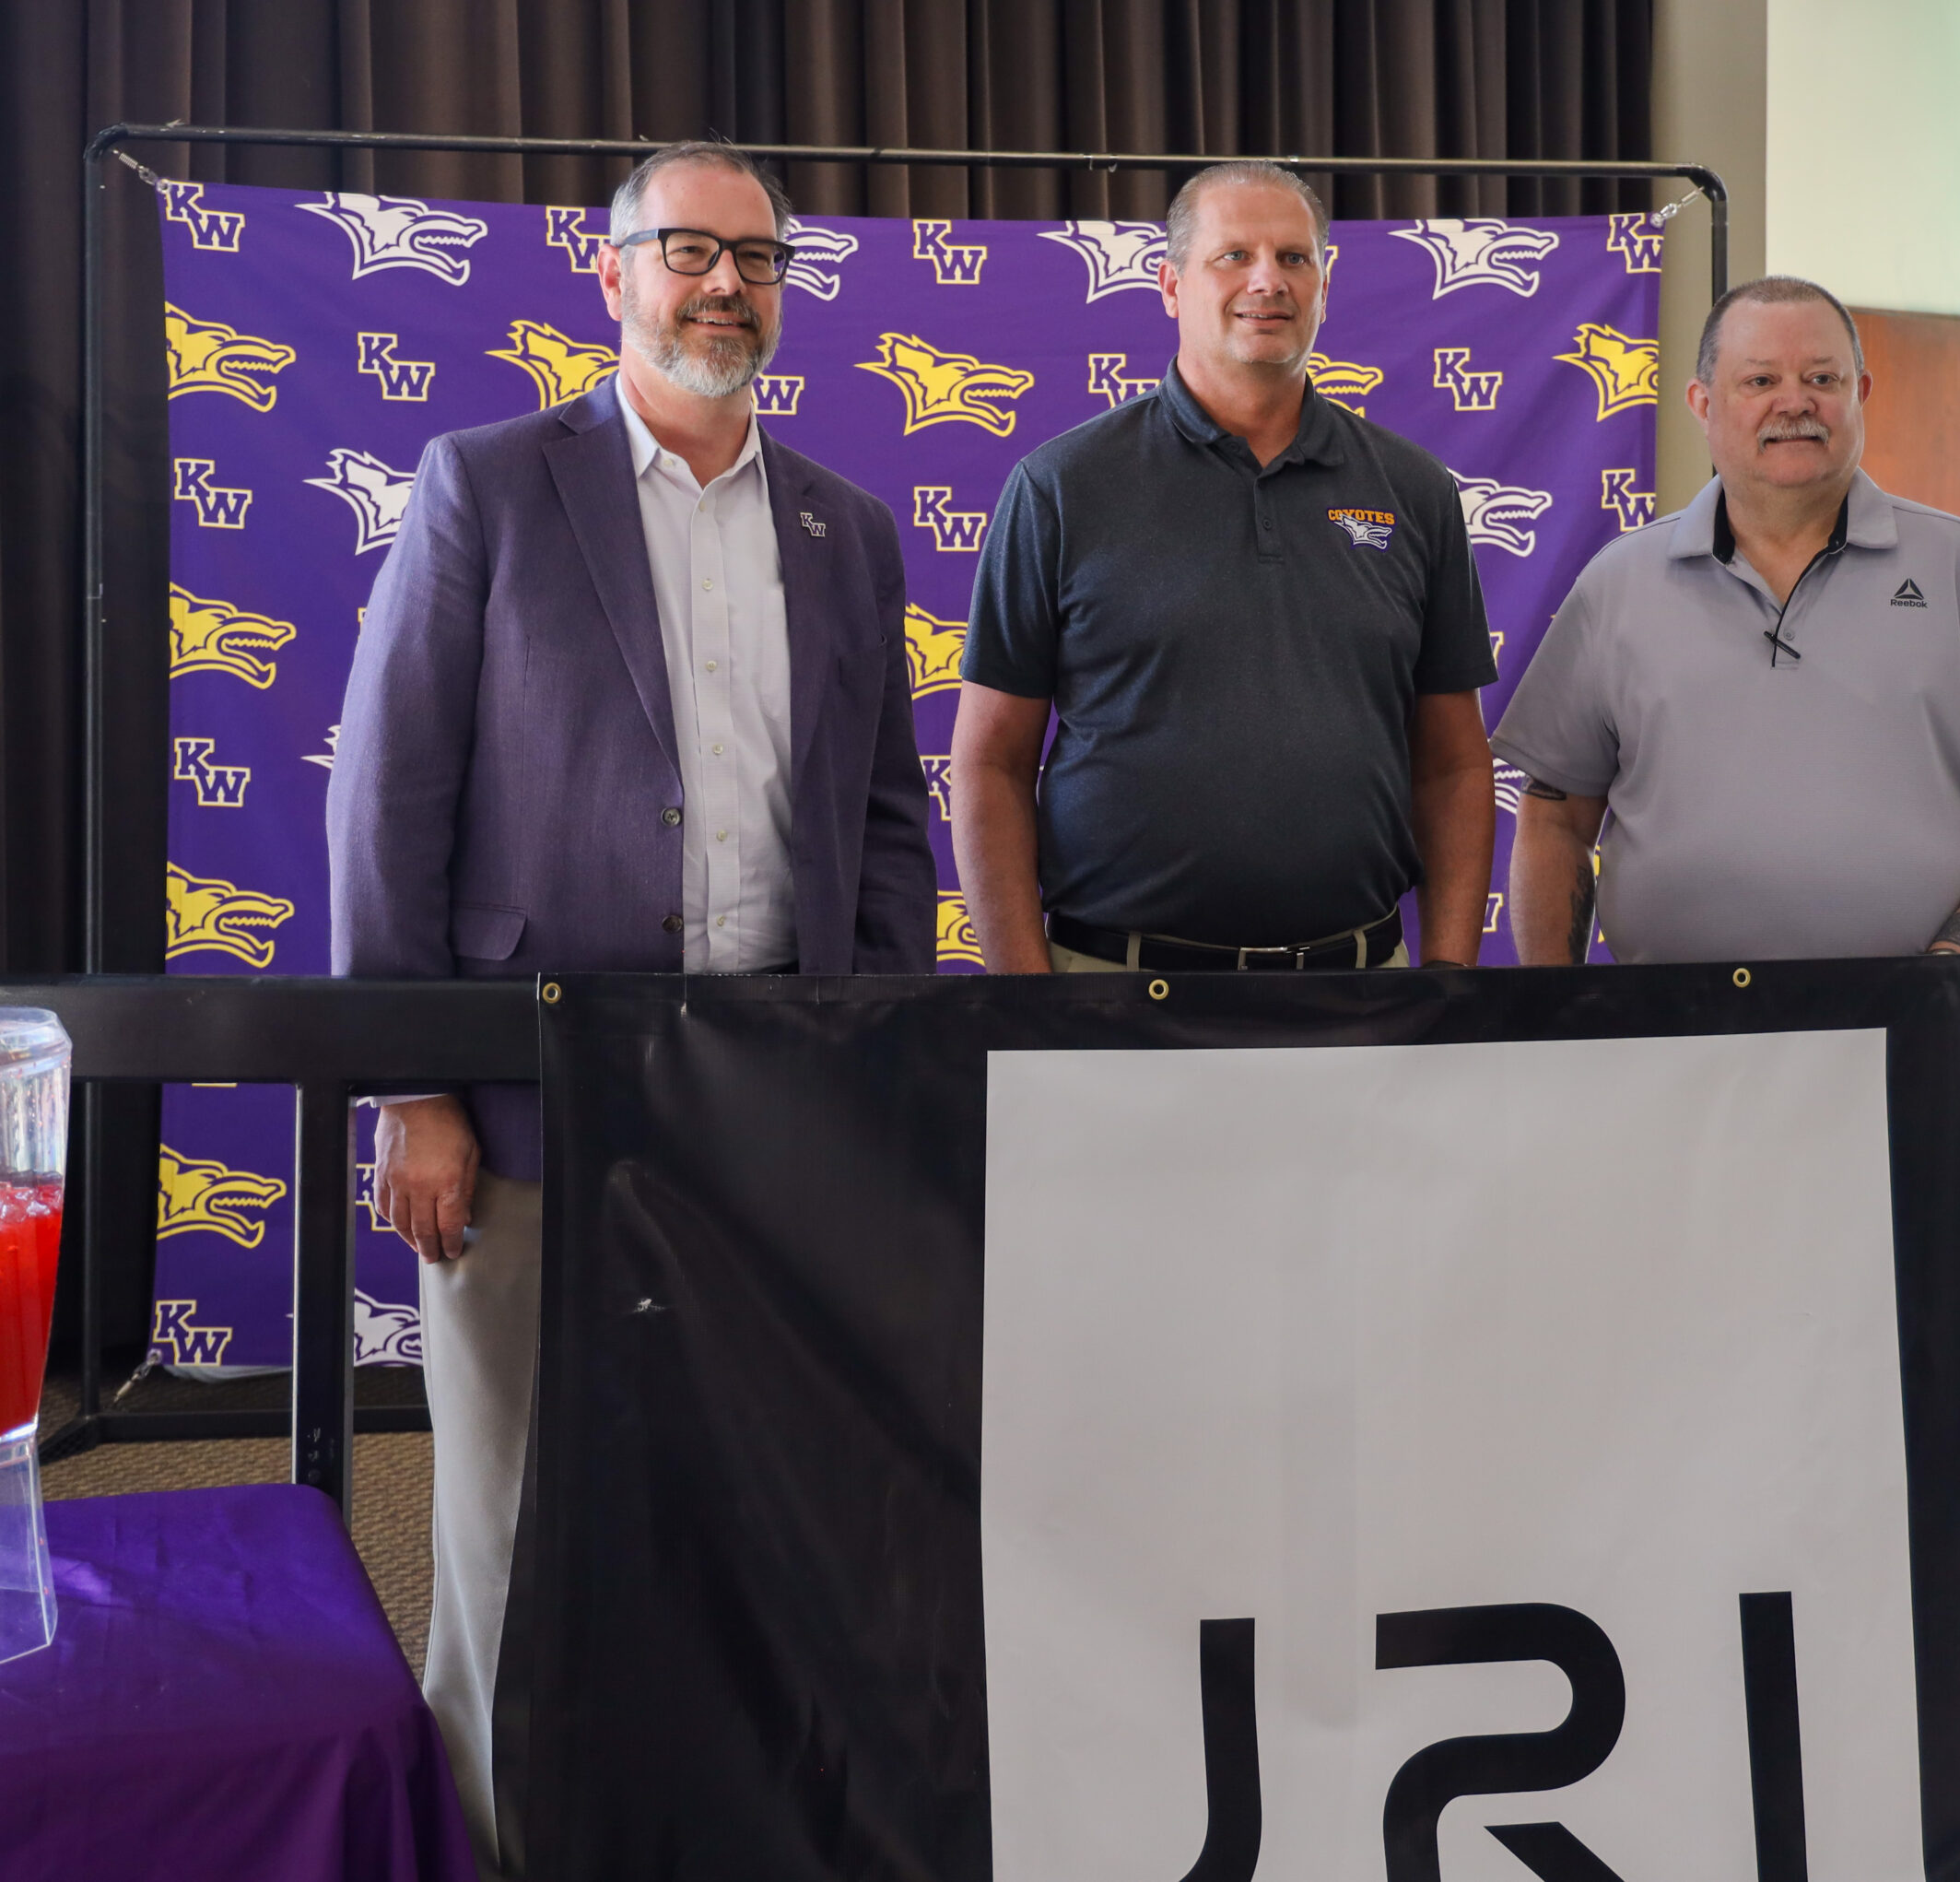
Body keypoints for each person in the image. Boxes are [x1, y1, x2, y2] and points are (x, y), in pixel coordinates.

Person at [325, 141, 933, 1878]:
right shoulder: (489, 485)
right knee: (516, 1516)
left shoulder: (847, 527)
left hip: (769, 1101)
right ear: (612, 277)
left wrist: (869, 1060)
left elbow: (886, 820)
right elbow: (390, 802)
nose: (723, 285)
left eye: (755, 258)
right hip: (529, 1097)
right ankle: (504, 1844)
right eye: (687, 252)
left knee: (751, 1493)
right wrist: (418, 1092)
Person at [950, 160, 1498, 973]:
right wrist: (1027, 1000)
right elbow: (990, 762)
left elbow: (1454, 764)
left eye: (1294, 257)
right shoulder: (1061, 488)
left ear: (1324, 283)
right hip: (1113, 993)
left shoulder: (1413, 491)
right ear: (1172, 286)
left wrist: (1449, 979)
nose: (1268, 281)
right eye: (1234, 256)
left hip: (1358, 988)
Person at [1495, 275, 1960, 966]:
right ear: (1703, 404)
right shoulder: (1616, 585)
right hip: (1671, 1035)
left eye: (1823, 377)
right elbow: (1554, 817)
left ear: (1860, 395)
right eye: (1760, 381)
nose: (1796, 402)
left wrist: (1951, 973)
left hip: (1910, 1025)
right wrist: (1555, 1012)